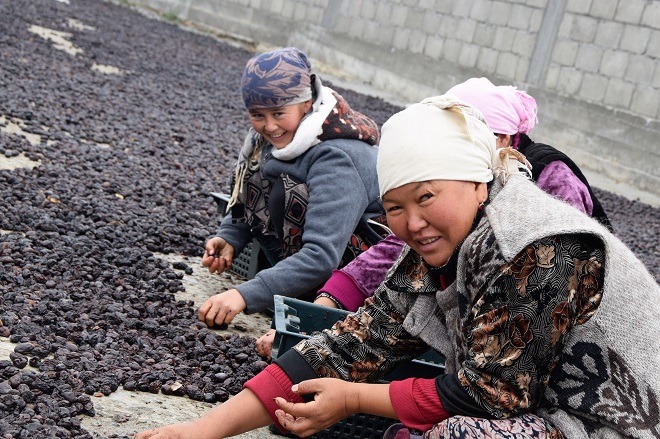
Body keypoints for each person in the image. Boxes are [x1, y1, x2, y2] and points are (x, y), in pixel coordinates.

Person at [136, 96, 660, 439]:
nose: (411, 223)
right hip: (540, 405)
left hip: (611, 423)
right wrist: (200, 429)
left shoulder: (537, 246)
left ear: (477, 182)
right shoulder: (443, 246)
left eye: (427, 197)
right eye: (394, 207)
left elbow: (487, 396)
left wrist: (351, 399)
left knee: (456, 434)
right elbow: (350, 344)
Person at [255, 76, 614, 356]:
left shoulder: (551, 182)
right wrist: (324, 310)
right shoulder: (450, 194)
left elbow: (550, 289)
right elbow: (395, 250)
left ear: (504, 138)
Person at [198, 47, 384, 328]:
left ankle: (312, 305)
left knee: (286, 192)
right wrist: (231, 236)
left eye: (278, 113)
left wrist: (244, 295)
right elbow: (252, 194)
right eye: (257, 115)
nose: (269, 126)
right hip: (319, 259)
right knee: (264, 179)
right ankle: (287, 288)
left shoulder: (337, 156)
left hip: (361, 275)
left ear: (306, 103)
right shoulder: (267, 141)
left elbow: (321, 256)